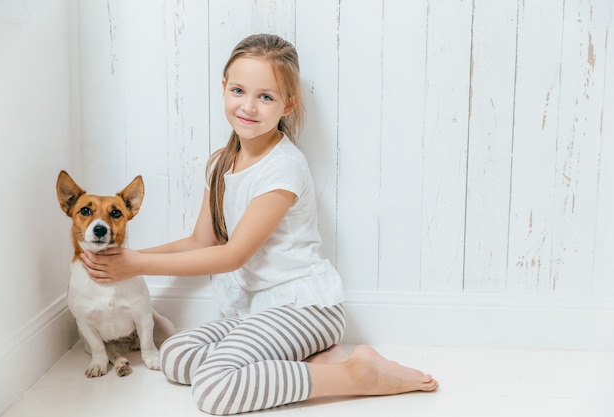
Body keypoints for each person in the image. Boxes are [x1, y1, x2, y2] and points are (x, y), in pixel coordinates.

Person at [81, 33, 438, 415]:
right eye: (239, 90)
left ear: (288, 104)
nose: (248, 106)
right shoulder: (220, 163)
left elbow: (233, 255)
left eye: (266, 96)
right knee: (175, 355)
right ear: (224, 88)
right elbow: (201, 241)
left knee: (215, 388)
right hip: (257, 312)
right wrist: (125, 257)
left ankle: (359, 376)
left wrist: (137, 265)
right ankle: (316, 361)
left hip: (304, 308)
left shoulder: (283, 168)